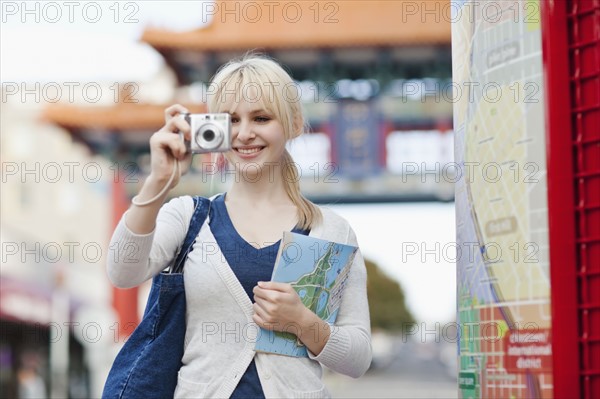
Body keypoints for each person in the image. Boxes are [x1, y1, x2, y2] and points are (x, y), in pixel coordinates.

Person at [107, 54, 372, 398]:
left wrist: (304, 324)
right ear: (213, 130)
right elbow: (122, 271)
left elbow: (358, 357)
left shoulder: (329, 230)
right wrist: (157, 181)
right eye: (231, 120)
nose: (245, 134)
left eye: (261, 118)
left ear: (292, 124)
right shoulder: (189, 217)